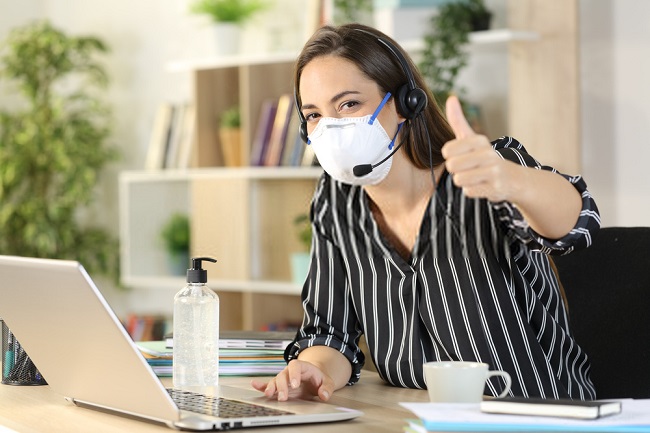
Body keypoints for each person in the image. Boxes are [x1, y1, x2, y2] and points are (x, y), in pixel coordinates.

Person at [251, 23, 600, 402]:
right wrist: (315, 369)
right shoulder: (336, 201)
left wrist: (513, 181)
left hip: (535, 414)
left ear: (405, 103)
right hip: (416, 418)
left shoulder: (485, 171)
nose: (332, 127)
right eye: (315, 114)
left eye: (349, 104)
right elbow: (330, 332)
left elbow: (576, 226)